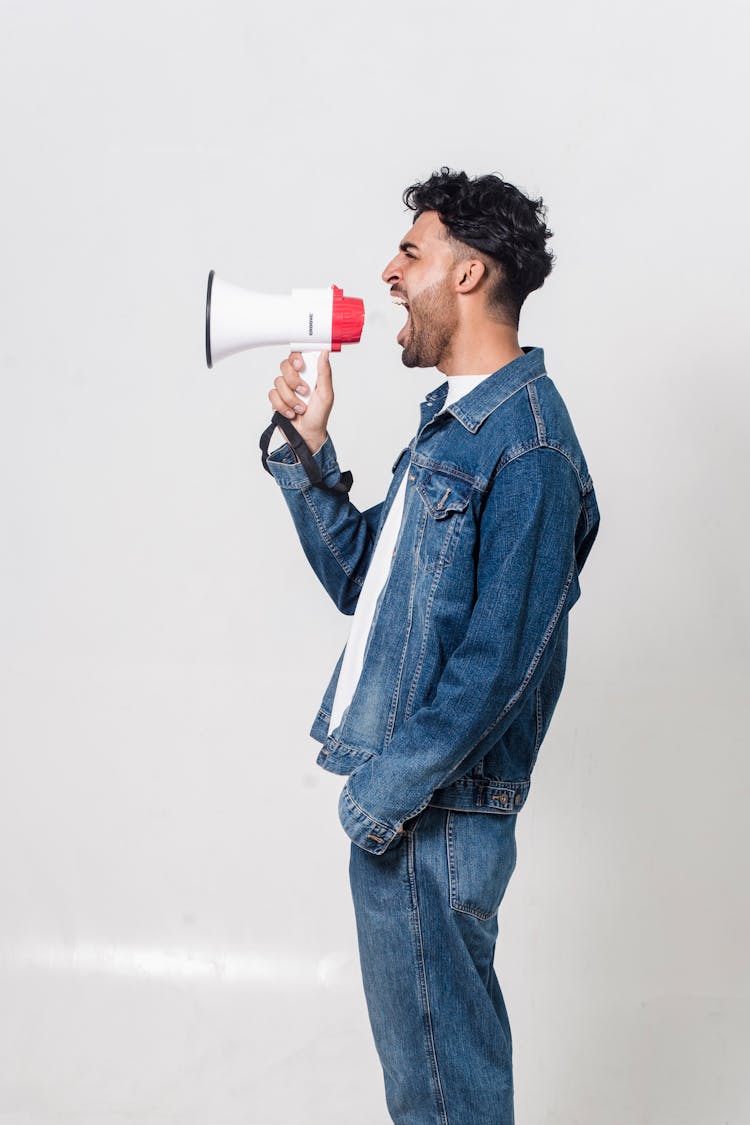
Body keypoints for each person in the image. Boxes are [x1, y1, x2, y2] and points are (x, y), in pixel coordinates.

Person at [262, 167, 600, 1125]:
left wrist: (384, 792)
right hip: (418, 810)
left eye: (411, 251)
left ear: (468, 275)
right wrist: (307, 450)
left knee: (443, 1099)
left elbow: (503, 661)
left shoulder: (527, 446)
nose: (387, 273)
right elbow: (362, 582)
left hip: (433, 818)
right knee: (432, 1092)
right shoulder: (456, 430)